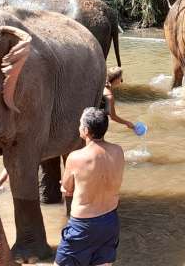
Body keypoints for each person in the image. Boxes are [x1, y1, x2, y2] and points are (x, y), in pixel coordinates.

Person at [55, 107, 124, 266]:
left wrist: (64, 187)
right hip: (110, 221)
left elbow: (68, 189)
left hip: (83, 225)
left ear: (86, 130)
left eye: (80, 124)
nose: (79, 127)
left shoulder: (76, 157)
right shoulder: (118, 151)